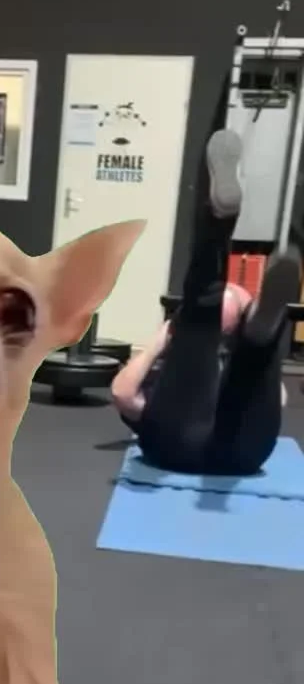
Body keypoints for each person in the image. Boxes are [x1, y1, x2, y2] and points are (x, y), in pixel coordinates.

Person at [111, 128, 302, 476]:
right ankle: (261, 335)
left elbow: (122, 395)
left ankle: (218, 220)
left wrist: (160, 340)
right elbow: (279, 403)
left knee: (202, 304)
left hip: (175, 445)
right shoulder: (182, 360)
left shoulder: (169, 363)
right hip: (243, 452)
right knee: (236, 344)